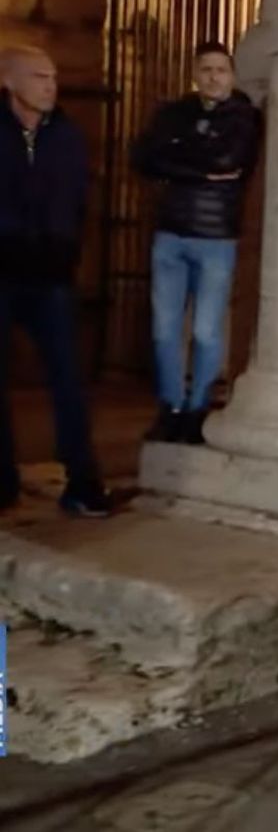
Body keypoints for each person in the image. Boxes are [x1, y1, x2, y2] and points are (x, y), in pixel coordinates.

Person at [0, 46, 111, 517]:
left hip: (52, 278)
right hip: (1, 274)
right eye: (40, 77)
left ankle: (83, 484)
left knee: (68, 381)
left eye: (54, 76)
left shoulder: (67, 135)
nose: (51, 85)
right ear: (10, 82)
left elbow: (77, 201)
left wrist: (68, 252)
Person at [133, 41, 262, 444]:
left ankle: (196, 409)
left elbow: (230, 161)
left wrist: (178, 161)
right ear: (194, 73)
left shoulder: (244, 117)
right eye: (205, 69)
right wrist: (201, 170)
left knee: (206, 330)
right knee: (164, 330)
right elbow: (143, 156)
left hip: (215, 236)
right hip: (170, 231)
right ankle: (170, 405)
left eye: (220, 70)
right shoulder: (175, 113)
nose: (213, 77)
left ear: (232, 75)